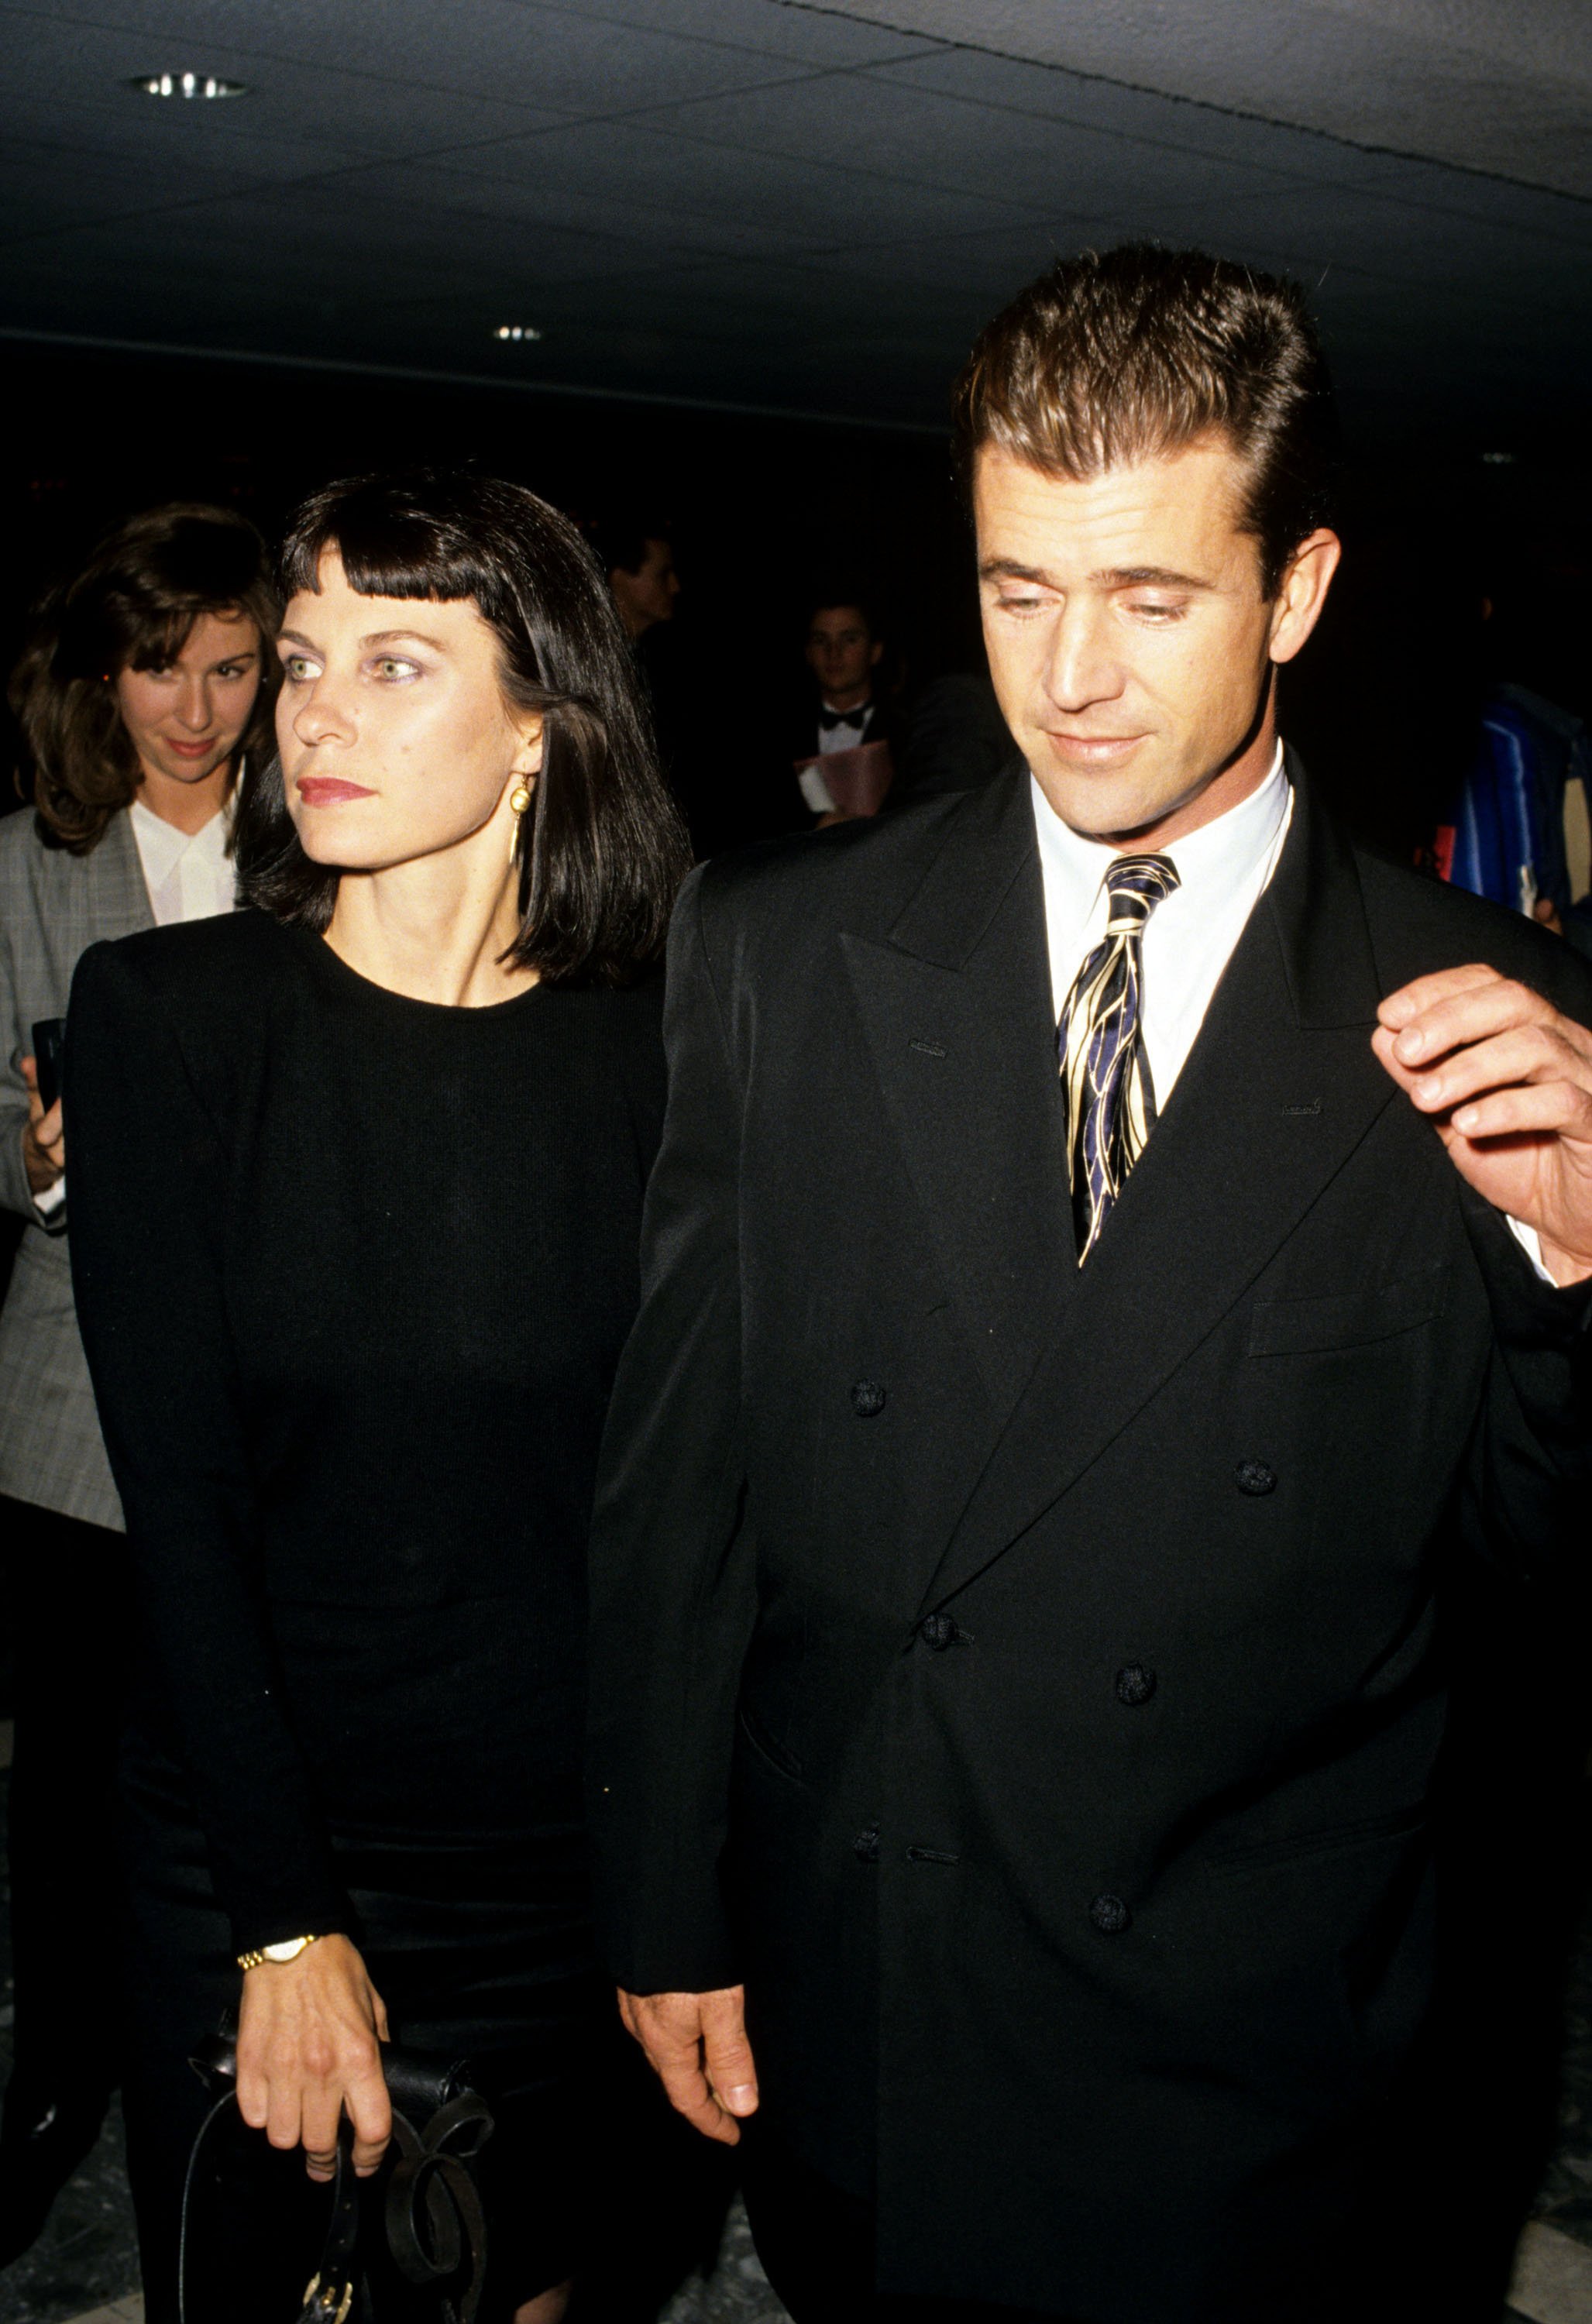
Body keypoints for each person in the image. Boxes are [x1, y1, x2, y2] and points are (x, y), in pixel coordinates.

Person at [586, 246, 1592, 2324]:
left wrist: (1576, 1265)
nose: (1067, 678)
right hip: (871, 1960)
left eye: (1146, 599)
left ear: (1291, 592)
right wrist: (661, 1891)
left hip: (1258, 2043)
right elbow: (679, 1475)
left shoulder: (1485, 1014)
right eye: (1013, 588)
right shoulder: (777, 946)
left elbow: (1529, 1579)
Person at [64, 469, 693, 2324]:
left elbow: (686, 1509)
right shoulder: (171, 1018)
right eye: (310, 660)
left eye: (394, 664)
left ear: (538, 735)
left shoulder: (669, 1050)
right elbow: (180, 1516)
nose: (312, 712)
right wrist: (281, 1915)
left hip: (561, 1875)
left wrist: (678, 1894)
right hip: (258, 1847)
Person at [0, 501, 274, 2265]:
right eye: (161, 665)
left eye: (233, 666)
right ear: (106, 672)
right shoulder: (28, 860)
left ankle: (243, 2054)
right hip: (66, 1401)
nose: (196, 707)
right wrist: (38, 1156)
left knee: (246, 1753)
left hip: (276, 1389)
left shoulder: (330, 842)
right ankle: (57, 2079)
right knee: (66, 1786)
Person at [790, 598, 901, 825]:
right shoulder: (786, 731)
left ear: (875, 651)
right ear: (808, 653)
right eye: (821, 641)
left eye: (849, 639)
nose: (834, 652)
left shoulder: (908, 732)